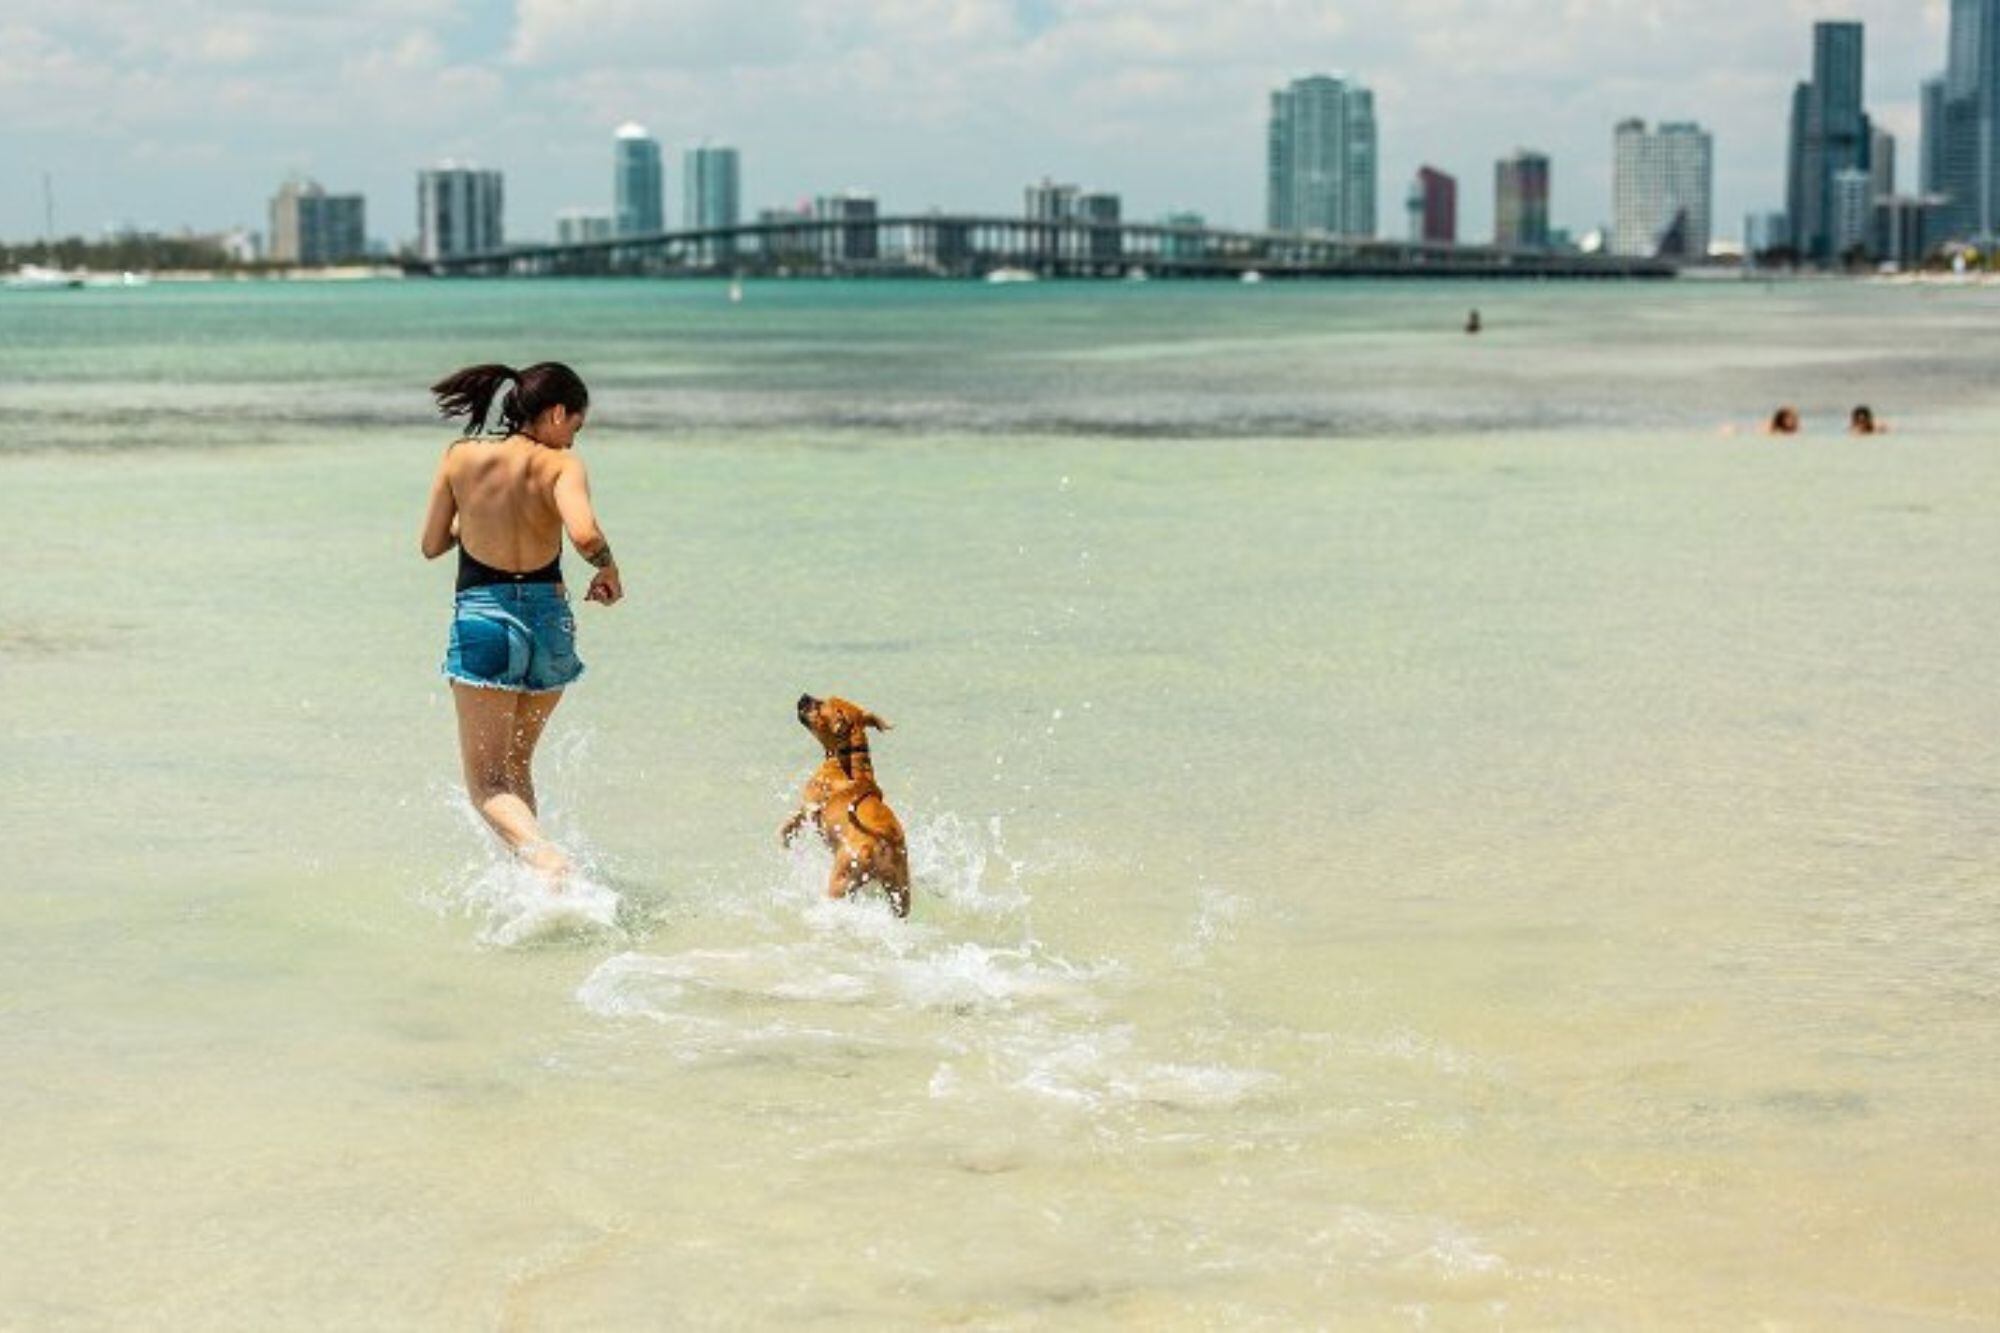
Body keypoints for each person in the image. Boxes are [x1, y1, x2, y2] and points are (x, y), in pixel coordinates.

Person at [420, 363, 623, 883]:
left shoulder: (459, 457)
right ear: (557, 413)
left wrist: (479, 515)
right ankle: (535, 883)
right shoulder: (561, 466)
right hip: (549, 622)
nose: (573, 437)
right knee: (515, 767)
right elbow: (583, 534)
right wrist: (607, 566)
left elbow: (432, 545)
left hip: (485, 619)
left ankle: (546, 861)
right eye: (575, 426)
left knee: (487, 783)